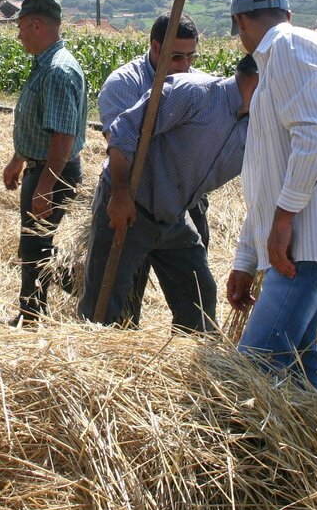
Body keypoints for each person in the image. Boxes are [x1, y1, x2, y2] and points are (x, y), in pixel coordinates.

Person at [225, 0, 317, 390]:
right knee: (298, 370)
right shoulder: (295, 52)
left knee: (252, 366)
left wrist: (284, 219)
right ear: (286, 12)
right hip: (299, 242)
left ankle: (250, 448)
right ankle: (314, 445)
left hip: (305, 242)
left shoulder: (285, 47)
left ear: (239, 22)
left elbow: (315, 137)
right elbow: (269, 176)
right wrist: (246, 261)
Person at [80, 56, 258, 331]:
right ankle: (90, 357)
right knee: (105, 304)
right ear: (259, 79)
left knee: (199, 294)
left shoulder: (258, 127)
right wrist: (120, 195)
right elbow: (124, 131)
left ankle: (189, 358)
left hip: (173, 215)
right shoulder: (195, 93)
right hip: (131, 204)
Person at [96, 12, 203, 324]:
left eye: (190, 57)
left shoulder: (194, 83)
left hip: (183, 199)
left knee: (194, 290)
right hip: (133, 198)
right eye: (177, 56)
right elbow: (120, 145)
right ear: (156, 47)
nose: (185, 65)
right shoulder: (124, 84)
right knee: (125, 290)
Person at [2, 0, 87, 326]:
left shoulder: (58, 71)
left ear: (36, 24)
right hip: (41, 169)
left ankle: (78, 285)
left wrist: (46, 186)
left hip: (53, 173)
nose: (19, 34)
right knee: (34, 245)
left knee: (36, 246)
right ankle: (32, 310)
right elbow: (39, 123)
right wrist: (17, 159)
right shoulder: (46, 64)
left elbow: (62, 136)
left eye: (21, 27)